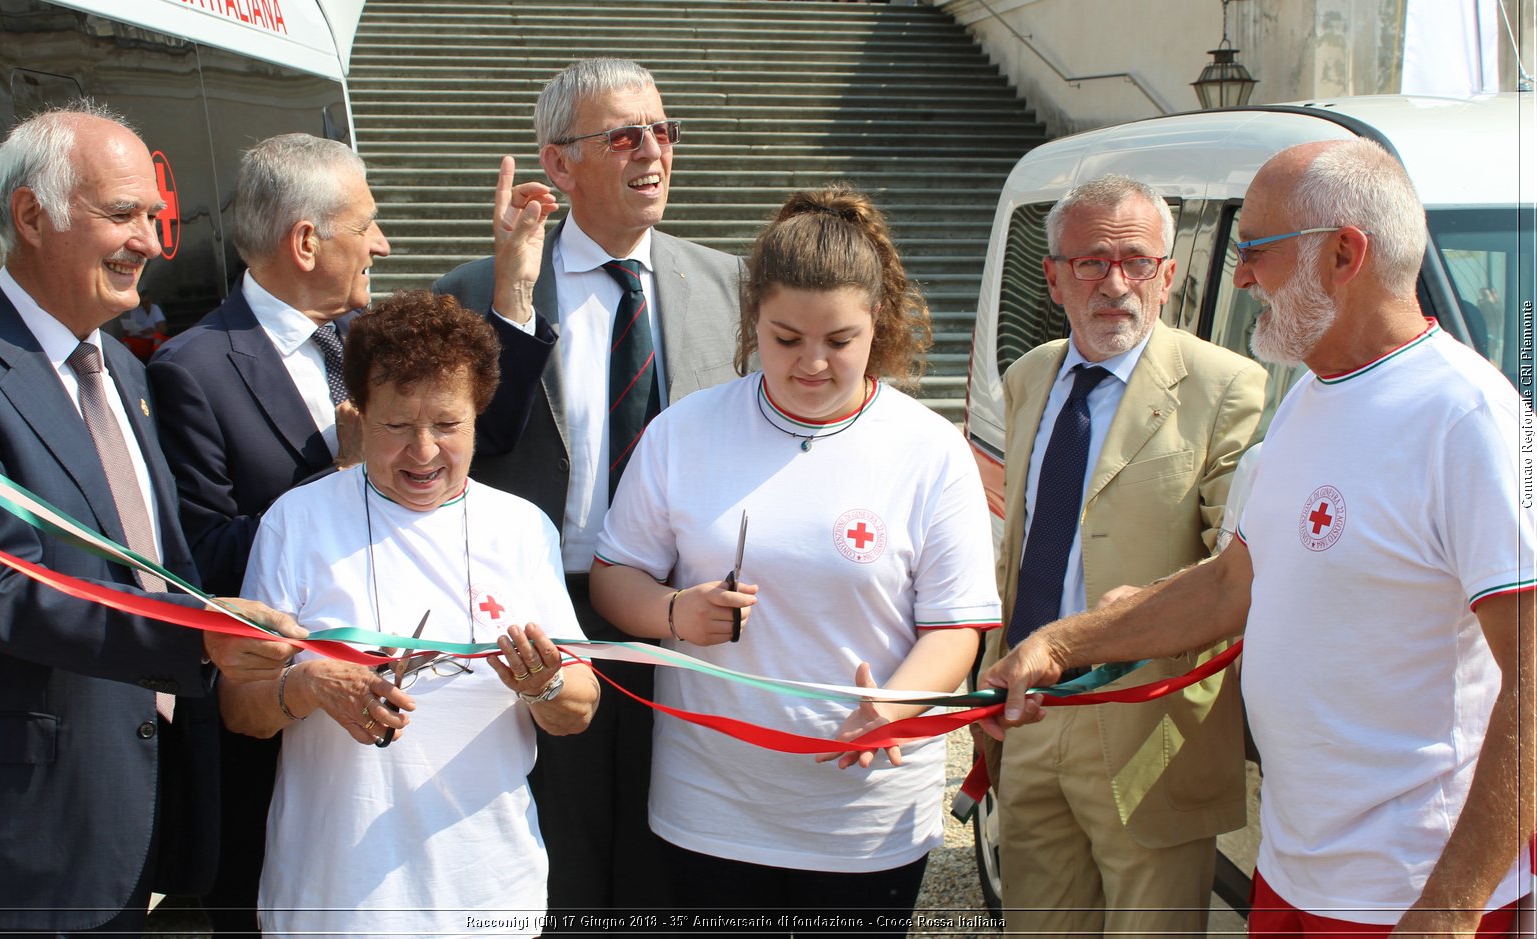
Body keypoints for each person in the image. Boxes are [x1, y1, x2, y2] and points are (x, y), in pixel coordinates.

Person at [981, 139, 1535, 936]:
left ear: (1345, 253)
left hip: (1407, 891)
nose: (1238, 277)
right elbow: (1227, 585)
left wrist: (1449, 909)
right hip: (1296, 869)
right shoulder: (1310, 399)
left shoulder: (1468, 419)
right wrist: (1061, 643)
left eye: (1255, 251)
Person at [592, 185, 1000, 933]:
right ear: (754, 322)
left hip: (863, 818)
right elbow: (615, 576)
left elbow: (955, 625)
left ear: (878, 322)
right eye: (785, 338)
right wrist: (674, 610)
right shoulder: (686, 431)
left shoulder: (930, 447)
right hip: (710, 802)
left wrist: (894, 705)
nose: (811, 362)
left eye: (839, 340)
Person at [0, 101, 303, 934]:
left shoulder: (125, 377)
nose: (148, 240)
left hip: (144, 807)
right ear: (32, 215)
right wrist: (195, 633)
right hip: (20, 838)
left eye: (155, 217)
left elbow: (152, 556)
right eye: (123, 214)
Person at [433, 57, 744, 912]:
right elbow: (465, 443)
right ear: (560, 165)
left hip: (678, 610)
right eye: (624, 135)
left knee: (667, 842)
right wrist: (513, 294)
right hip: (539, 612)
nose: (653, 150)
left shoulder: (727, 287)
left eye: (663, 130)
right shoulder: (476, 289)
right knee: (555, 846)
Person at [222, 290, 599, 937]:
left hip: (487, 894)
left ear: (479, 413)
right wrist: (305, 685)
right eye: (397, 426)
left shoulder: (520, 529)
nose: (423, 452)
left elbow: (581, 702)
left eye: (447, 425)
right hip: (334, 901)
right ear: (360, 413)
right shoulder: (297, 522)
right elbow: (240, 705)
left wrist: (544, 684)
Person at [978, 176, 1267, 937]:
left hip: (1152, 729)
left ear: (1168, 275)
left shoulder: (1227, 385)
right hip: (1031, 714)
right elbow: (1017, 545)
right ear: (1053, 277)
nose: (1115, 283)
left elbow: (1236, 565)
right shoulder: (1028, 377)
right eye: (1091, 262)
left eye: (1136, 261)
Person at [147, 133, 391, 935]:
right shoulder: (194, 367)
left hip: (386, 731)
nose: (382, 244)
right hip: (272, 733)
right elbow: (201, 558)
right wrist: (343, 476)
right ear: (307, 240)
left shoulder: (374, 345)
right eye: (368, 224)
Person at [119, 291, 168, 361]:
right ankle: (128, 363)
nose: (144, 305)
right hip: (141, 339)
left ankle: (157, 360)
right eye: (142, 303)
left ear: (150, 301)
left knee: (158, 337)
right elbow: (131, 329)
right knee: (125, 341)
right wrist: (129, 332)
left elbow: (164, 329)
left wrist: (152, 330)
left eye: (146, 302)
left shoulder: (155, 309)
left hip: (153, 340)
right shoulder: (135, 311)